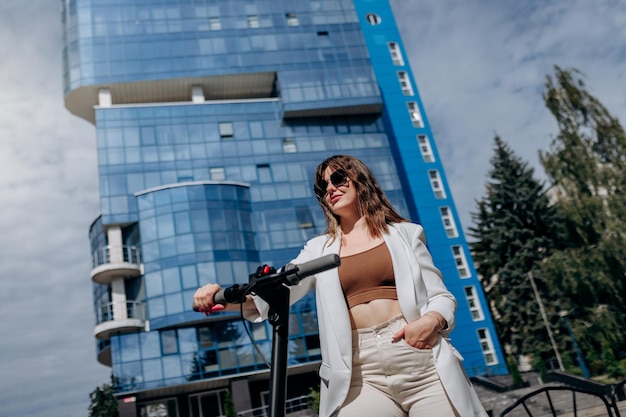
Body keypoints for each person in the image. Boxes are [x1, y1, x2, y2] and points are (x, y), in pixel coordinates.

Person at [193, 155, 488, 417]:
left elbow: (441, 296)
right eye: (323, 188)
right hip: (361, 374)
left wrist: (430, 322)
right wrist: (221, 297)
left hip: (420, 362)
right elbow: (276, 290)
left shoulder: (405, 234)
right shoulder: (319, 248)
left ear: (360, 180)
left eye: (337, 179)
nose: (330, 189)